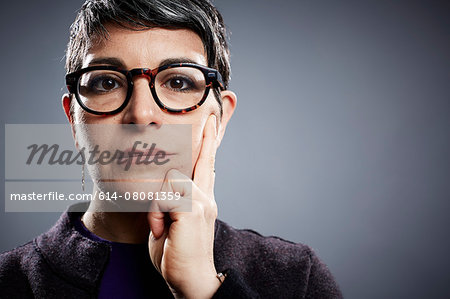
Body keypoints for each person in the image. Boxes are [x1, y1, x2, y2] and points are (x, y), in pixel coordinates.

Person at [0, 0, 342, 298]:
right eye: (106, 82)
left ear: (219, 119)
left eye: (178, 81)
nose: (141, 114)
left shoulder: (296, 277)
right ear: (74, 120)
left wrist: (205, 290)